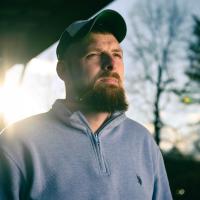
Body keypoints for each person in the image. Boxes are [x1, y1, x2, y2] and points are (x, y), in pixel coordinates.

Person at [0, 9, 172, 200]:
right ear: (63, 70)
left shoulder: (144, 142)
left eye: (117, 54)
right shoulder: (16, 144)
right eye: (94, 54)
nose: (111, 64)